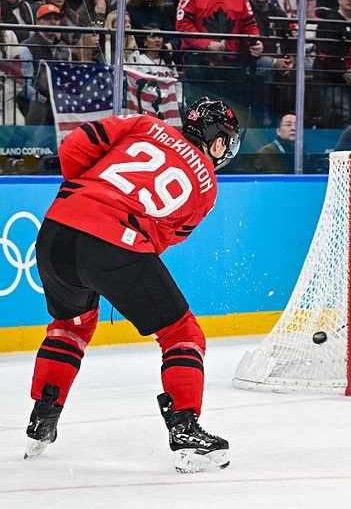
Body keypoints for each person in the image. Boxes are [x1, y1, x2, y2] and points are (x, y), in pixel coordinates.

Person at [23, 97, 240, 473]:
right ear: (217, 141)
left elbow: (73, 147)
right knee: (181, 333)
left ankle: (42, 420)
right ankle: (185, 429)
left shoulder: (142, 123)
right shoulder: (207, 184)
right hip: (114, 244)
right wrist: (115, 244)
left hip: (55, 230)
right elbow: (167, 237)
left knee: (69, 327)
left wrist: (85, 198)